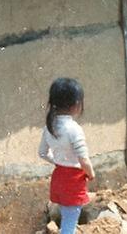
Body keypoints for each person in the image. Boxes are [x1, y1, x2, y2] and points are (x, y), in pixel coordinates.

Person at [38, 78, 95, 234]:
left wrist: (57, 161)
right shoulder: (74, 129)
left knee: (66, 216)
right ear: (77, 104)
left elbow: (42, 153)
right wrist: (91, 174)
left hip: (59, 177)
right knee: (70, 221)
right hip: (73, 181)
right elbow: (84, 160)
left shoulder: (49, 127)